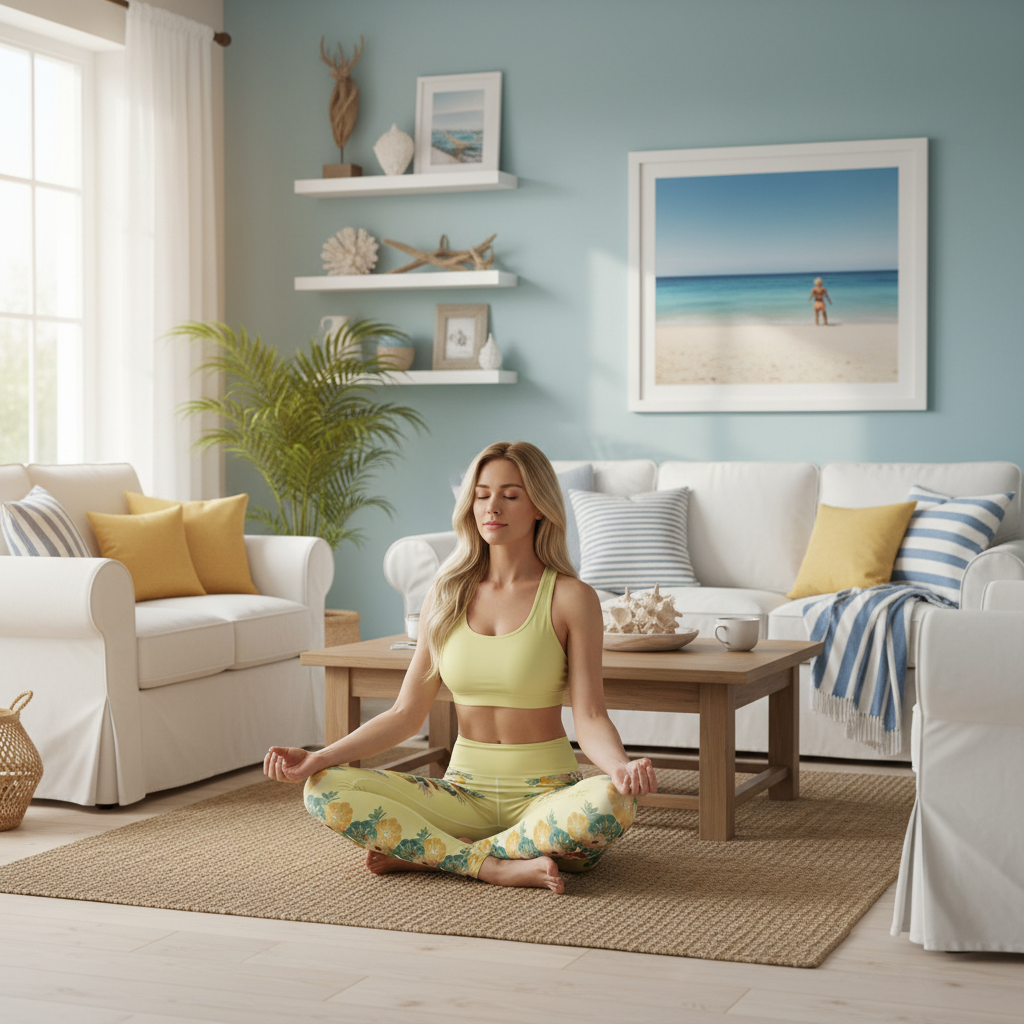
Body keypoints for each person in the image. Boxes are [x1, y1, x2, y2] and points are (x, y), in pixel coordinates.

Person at [265, 441, 656, 894]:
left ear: (540, 508)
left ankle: (433, 853)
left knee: (612, 804)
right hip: (461, 793)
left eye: (510, 495)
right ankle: (494, 864)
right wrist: (320, 756)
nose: (492, 506)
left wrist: (620, 767)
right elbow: (405, 714)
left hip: (545, 793)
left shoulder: (572, 597)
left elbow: (589, 716)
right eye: (482, 493)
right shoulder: (445, 594)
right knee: (322, 789)